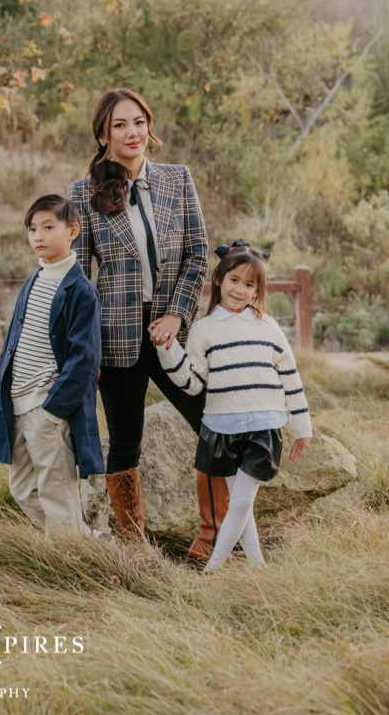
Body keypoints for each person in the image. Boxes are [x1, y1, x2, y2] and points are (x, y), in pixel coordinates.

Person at [66, 88, 224, 553]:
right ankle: (135, 548)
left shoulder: (177, 179)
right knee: (124, 442)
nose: (132, 132)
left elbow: (198, 254)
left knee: (214, 424)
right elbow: (79, 277)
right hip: (116, 340)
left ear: (148, 125)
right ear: (103, 134)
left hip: (176, 333)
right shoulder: (83, 192)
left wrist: (177, 313)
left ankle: (212, 538)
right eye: (119, 125)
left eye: (138, 122)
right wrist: (83, 346)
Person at [155, 240, 312, 572]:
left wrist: (302, 427)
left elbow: (290, 375)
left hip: (263, 426)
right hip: (221, 427)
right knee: (243, 508)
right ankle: (259, 570)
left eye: (250, 285)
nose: (240, 290)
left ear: (258, 291)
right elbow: (193, 383)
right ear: (218, 280)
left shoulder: (268, 328)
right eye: (234, 281)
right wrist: (168, 350)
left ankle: (212, 569)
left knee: (240, 502)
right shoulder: (203, 329)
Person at [0, 194, 105, 535]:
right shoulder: (33, 281)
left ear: (73, 231)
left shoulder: (81, 290)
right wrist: (2, 393)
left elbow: (85, 358)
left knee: (58, 495)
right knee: (23, 489)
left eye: (48, 227)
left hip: (47, 406)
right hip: (17, 404)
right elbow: (14, 340)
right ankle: (88, 541)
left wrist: (54, 409)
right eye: (32, 228)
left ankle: (74, 565)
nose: (38, 235)